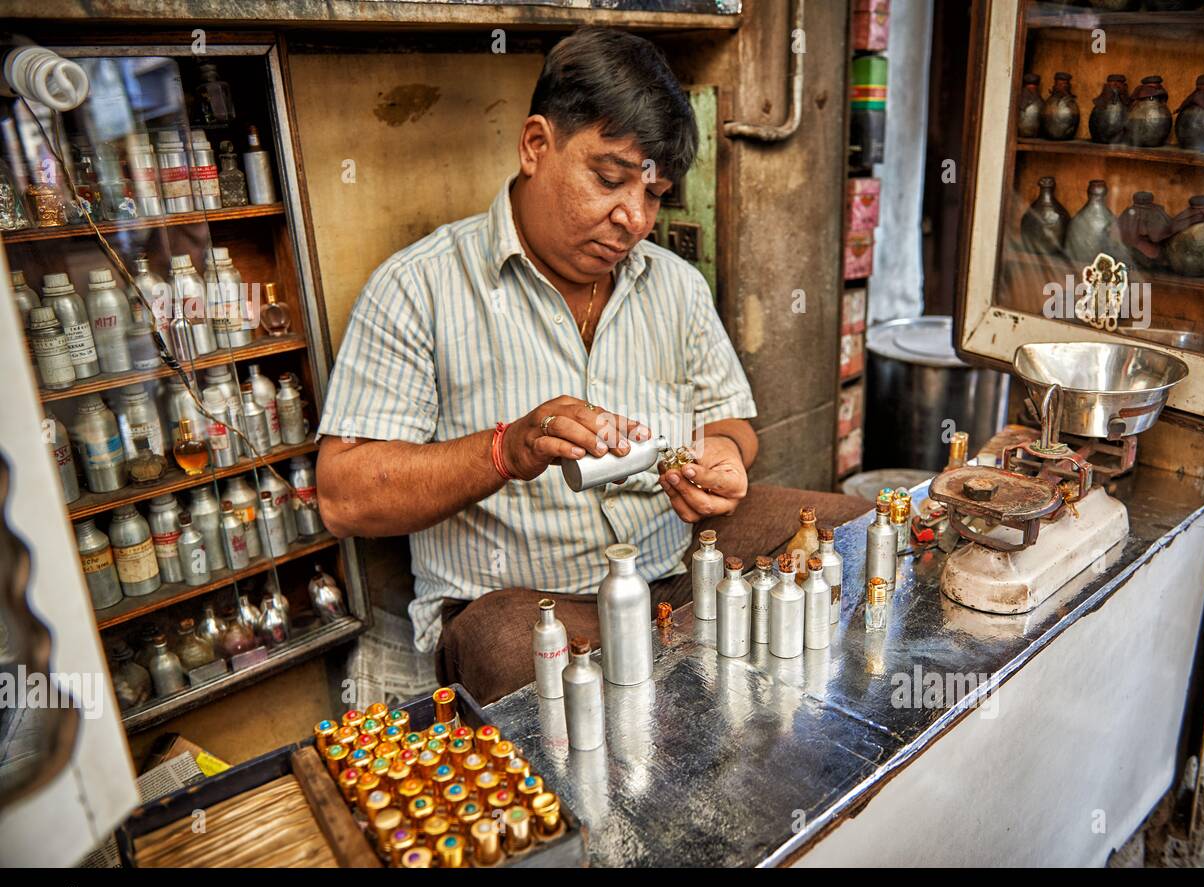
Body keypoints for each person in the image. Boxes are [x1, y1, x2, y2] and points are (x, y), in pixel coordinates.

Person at [316, 28, 869, 704]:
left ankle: (701, 658)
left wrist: (722, 455)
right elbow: (342, 494)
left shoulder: (674, 285)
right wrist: (505, 449)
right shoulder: (419, 288)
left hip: (676, 558)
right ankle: (682, 668)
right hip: (530, 601)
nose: (633, 218)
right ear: (535, 145)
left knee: (855, 531)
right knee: (506, 648)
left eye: (655, 192)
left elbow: (732, 426)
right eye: (609, 179)